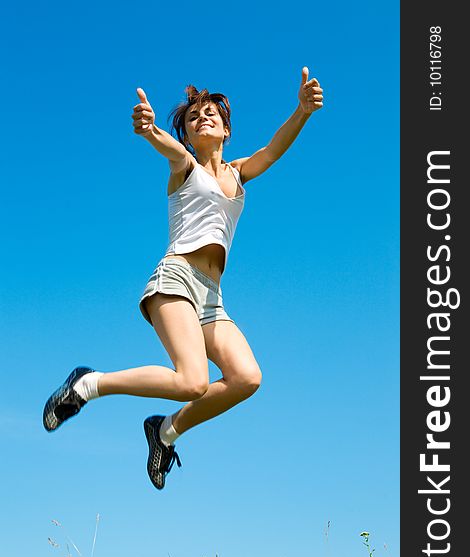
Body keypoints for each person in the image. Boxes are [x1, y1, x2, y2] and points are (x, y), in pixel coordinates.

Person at [43, 67, 324, 490]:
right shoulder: (185, 166)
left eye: (211, 113)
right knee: (192, 381)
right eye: (193, 117)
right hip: (176, 277)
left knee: (246, 378)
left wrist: (302, 111)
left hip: (213, 297)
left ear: (226, 130)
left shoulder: (238, 173)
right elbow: (168, 147)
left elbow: (273, 149)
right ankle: (88, 383)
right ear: (188, 135)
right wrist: (150, 130)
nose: (202, 118)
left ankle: (165, 432)